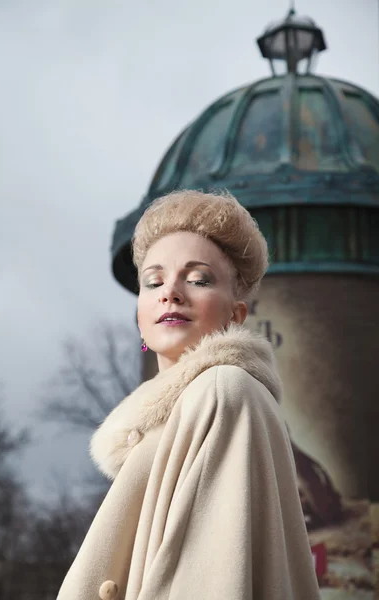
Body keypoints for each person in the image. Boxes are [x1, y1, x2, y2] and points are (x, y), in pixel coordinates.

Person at [57, 190, 320, 600]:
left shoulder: (222, 391)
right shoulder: (181, 410)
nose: (171, 292)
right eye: (153, 281)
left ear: (236, 315)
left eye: (198, 279)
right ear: (140, 315)